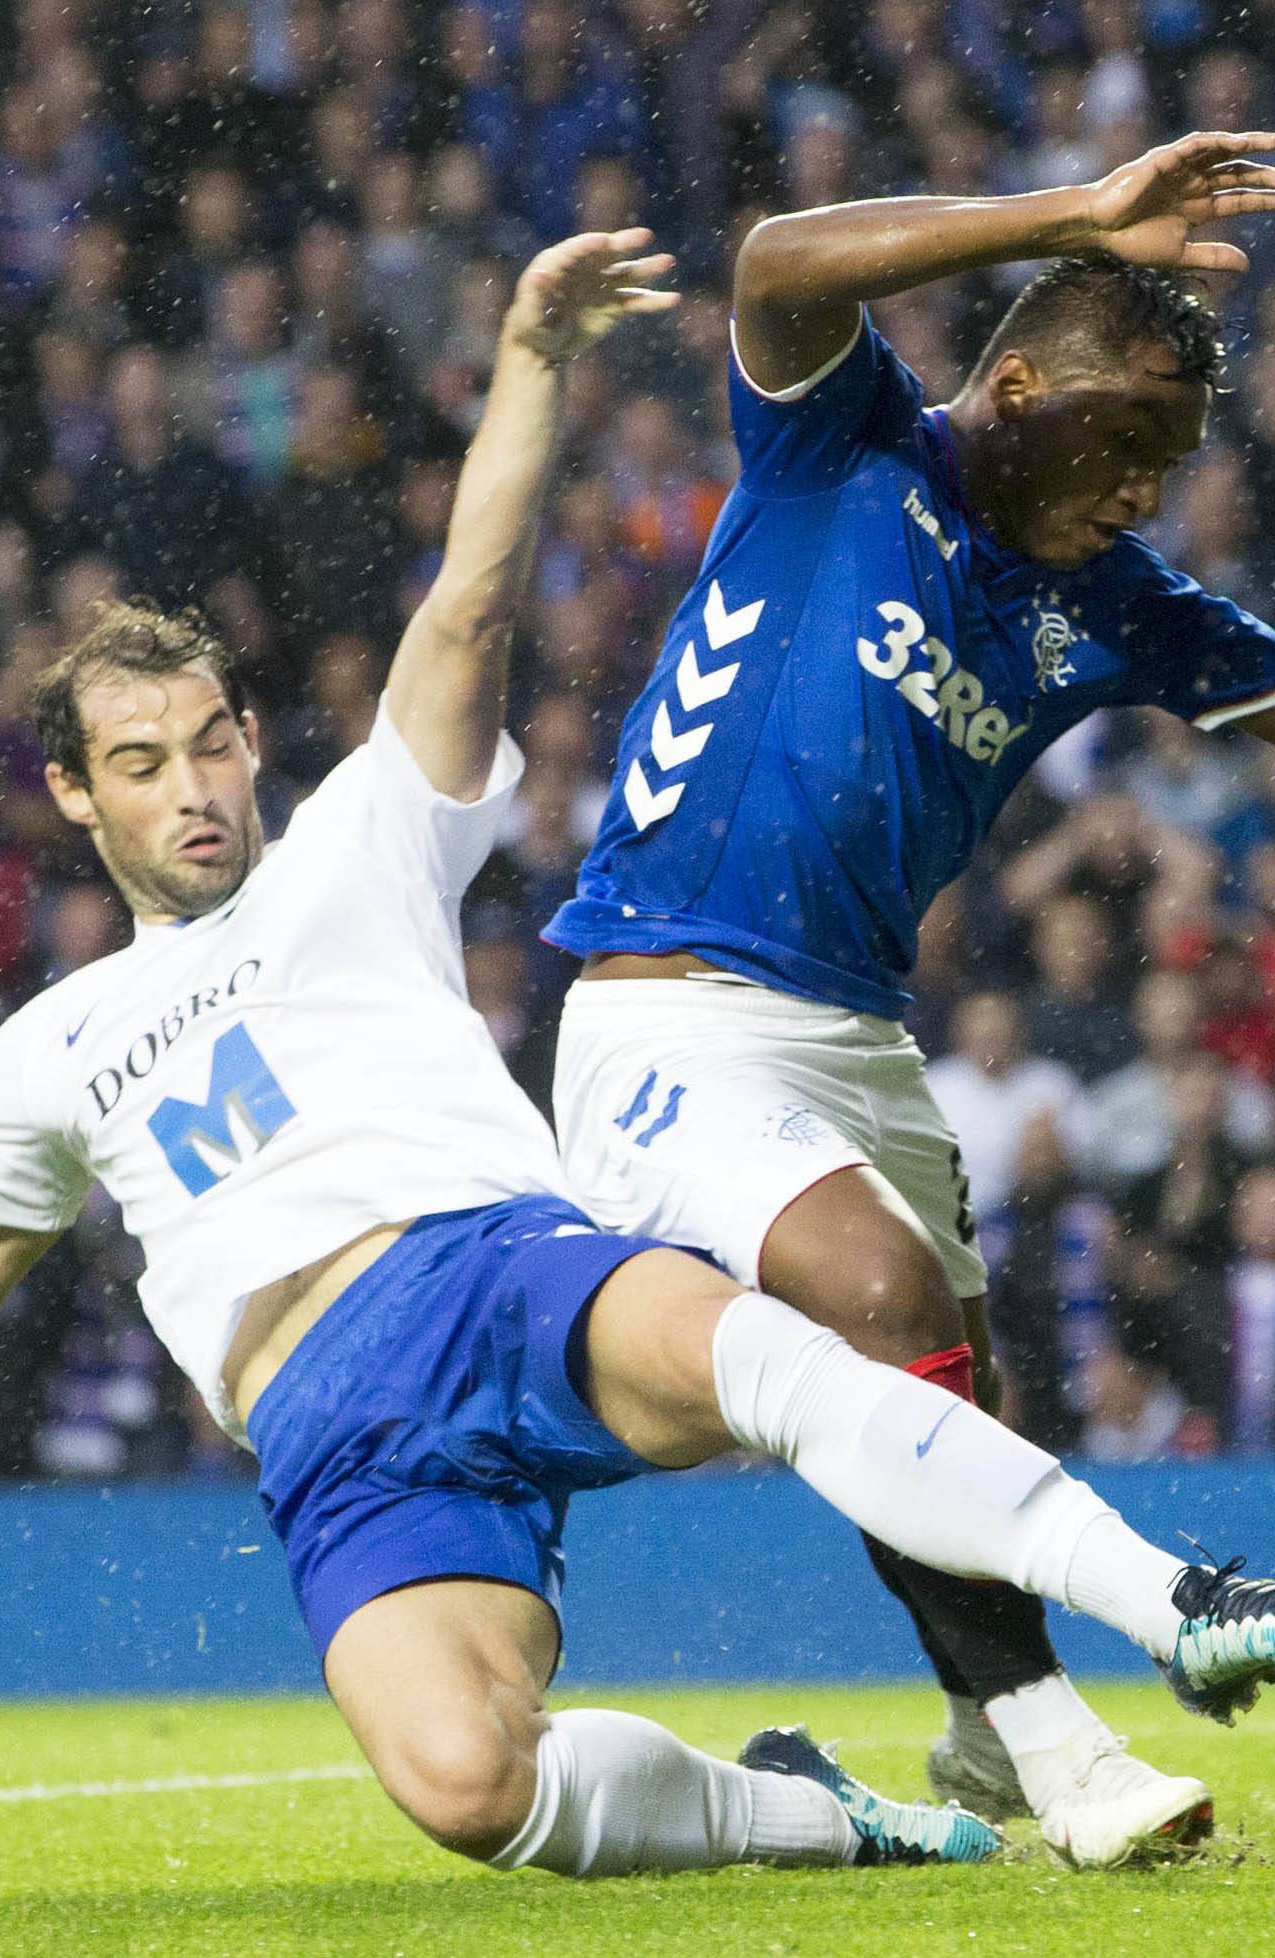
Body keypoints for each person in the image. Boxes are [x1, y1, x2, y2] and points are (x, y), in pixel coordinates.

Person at [0, 234, 1275, 1884]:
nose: (190, 787)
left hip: (494, 1267)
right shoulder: (48, 1044)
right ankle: (859, 1818)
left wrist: (532, 360)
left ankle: (1175, 1596)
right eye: (142, 762)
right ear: (71, 795)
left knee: (797, 1351)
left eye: (207, 743)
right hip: (335, 1435)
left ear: (251, 742)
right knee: (472, 1783)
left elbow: (470, 605)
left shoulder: (358, 840)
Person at [544, 128, 1275, 1866]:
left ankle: (971, 1729)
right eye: (1123, 444)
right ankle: (1070, 1752)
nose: (1146, 490)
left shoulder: (1111, 601)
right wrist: (1082, 209)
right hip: (669, 1007)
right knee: (877, 1303)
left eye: (1173, 461)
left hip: (853, 1032)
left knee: (964, 1380)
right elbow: (779, 257)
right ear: (1014, 384)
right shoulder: (843, 439)